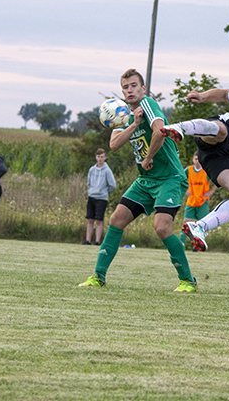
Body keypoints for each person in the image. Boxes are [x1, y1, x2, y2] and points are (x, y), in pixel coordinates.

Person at [78, 68, 198, 292]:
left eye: (134, 85)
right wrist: (133, 124)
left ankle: (188, 280)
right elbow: (114, 145)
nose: (130, 90)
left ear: (143, 88)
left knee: (162, 228)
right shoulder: (124, 114)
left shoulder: (148, 105)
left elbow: (160, 131)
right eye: (125, 87)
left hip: (170, 178)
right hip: (146, 181)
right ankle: (98, 276)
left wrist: (148, 157)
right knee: (116, 219)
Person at [161, 87, 229, 253]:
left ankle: (199, 227)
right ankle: (180, 127)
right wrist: (202, 97)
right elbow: (224, 94)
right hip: (213, 133)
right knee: (222, 131)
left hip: (221, 157)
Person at [180, 151, 216, 249]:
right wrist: (185, 190)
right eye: (195, 159)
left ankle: (197, 246)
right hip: (191, 201)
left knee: (202, 225)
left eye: (198, 159)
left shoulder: (205, 170)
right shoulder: (189, 169)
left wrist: (211, 192)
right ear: (193, 159)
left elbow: (217, 180)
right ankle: (181, 244)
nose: (197, 161)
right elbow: (180, 179)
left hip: (202, 201)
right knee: (186, 222)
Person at [85, 148, 117, 245]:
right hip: (92, 196)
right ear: (96, 157)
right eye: (98, 157)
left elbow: (112, 185)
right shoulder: (92, 169)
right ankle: (88, 240)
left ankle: (97, 241)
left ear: (105, 158)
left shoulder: (107, 171)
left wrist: (105, 193)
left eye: (102, 157)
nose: (100, 159)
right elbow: (88, 182)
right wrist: (91, 190)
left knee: (99, 220)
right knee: (90, 219)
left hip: (101, 198)